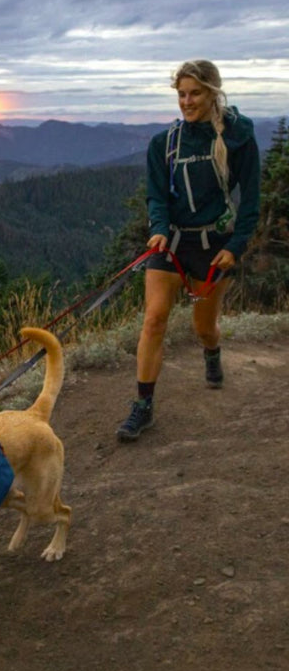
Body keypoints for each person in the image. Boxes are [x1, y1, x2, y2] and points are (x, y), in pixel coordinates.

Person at [116, 60, 261, 442]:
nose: (186, 101)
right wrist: (159, 230)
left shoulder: (238, 136)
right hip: (173, 243)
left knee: (204, 327)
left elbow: (251, 201)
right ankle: (143, 405)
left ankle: (212, 352)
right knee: (154, 319)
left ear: (213, 92)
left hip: (214, 246)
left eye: (194, 93)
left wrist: (236, 246)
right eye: (181, 94)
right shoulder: (163, 143)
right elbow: (156, 196)